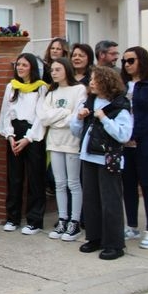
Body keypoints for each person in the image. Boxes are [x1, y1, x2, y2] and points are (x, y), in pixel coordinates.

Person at [70, 66, 132, 260]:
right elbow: (75, 131)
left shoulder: (119, 105)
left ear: (106, 81)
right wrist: (79, 119)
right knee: (91, 200)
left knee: (110, 201)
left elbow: (123, 134)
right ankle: (94, 238)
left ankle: (114, 244)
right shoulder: (90, 101)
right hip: (88, 156)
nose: (91, 83)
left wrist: (104, 118)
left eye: (95, 80)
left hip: (108, 159)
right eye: (91, 80)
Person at [120, 47, 148, 250]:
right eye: (124, 61)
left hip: (147, 143)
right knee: (128, 187)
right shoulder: (123, 85)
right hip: (125, 145)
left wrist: (132, 134)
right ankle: (131, 226)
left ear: (142, 60)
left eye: (131, 60)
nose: (127, 65)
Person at [0, 53, 48, 235]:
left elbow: (41, 116)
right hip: (14, 133)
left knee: (35, 178)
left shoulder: (41, 88)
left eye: (24, 65)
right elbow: (5, 113)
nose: (20, 68)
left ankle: (34, 220)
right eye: (18, 65)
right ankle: (13, 218)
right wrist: (10, 136)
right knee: (14, 177)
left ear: (32, 68)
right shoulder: (12, 87)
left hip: (32, 136)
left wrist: (28, 138)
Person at [38, 58, 87, 241]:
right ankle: (62, 219)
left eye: (58, 69)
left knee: (73, 183)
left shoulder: (79, 89)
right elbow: (44, 118)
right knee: (59, 183)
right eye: (52, 70)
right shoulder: (51, 93)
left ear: (66, 69)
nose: (54, 73)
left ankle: (74, 222)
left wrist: (59, 118)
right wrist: (65, 113)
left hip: (72, 141)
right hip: (54, 141)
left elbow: (76, 118)